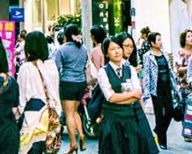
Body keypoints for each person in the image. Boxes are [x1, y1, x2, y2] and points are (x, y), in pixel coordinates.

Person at [95, 35, 159, 154]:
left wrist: (118, 98)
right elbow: (110, 97)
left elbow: (138, 94)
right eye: (112, 49)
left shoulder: (130, 69)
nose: (117, 51)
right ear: (107, 54)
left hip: (129, 120)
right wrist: (130, 95)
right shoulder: (103, 72)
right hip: (111, 122)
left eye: (119, 48)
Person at [17, 31, 61, 154]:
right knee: (47, 148)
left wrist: (18, 115)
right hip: (51, 112)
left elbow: (22, 97)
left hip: (33, 115)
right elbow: (56, 90)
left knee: (30, 148)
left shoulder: (25, 68)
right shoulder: (52, 66)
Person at [54, 24, 90, 152]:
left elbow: (57, 67)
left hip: (67, 83)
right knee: (75, 111)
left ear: (66, 36)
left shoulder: (62, 49)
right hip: (81, 83)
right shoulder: (84, 48)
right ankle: (81, 135)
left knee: (68, 113)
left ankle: (73, 143)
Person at [141, 32, 176, 149]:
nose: (161, 42)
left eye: (161, 39)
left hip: (167, 87)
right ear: (152, 43)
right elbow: (147, 74)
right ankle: (162, 141)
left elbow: (170, 70)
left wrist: (175, 86)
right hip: (156, 89)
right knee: (159, 114)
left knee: (170, 111)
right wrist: (146, 92)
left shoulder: (164, 53)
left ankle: (158, 130)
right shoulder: (147, 56)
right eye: (158, 40)